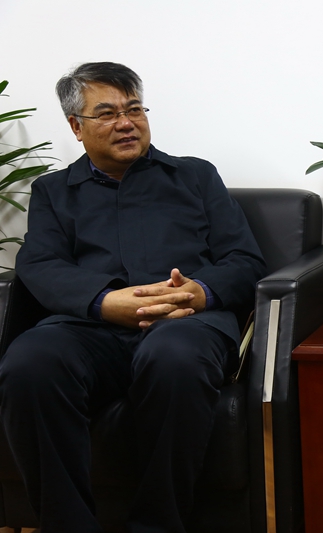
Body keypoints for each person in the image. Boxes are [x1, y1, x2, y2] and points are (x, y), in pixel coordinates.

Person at [0, 62, 268, 533]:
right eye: (107, 114)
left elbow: (244, 259)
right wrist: (104, 302)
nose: (126, 123)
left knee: (174, 355)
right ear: (76, 127)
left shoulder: (195, 176)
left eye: (134, 109)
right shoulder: (53, 191)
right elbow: (39, 265)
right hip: (89, 330)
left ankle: (157, 525)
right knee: (30, 362)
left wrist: (200, 293)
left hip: (185, 324)